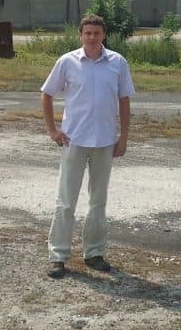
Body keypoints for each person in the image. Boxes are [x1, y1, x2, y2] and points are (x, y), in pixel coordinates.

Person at [41, 14, 135, 279]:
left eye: (97, 33)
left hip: (105, 142)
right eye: (87, 33)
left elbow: (124, 100)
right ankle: (58, 256)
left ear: (104, 34)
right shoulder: (68, 62)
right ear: (81, 35)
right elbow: (47, 94)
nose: (92, 37)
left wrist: (124, 136)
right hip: (74, 140)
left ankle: (94, 253)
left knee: (98, 201)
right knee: (66, 201)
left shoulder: (117, 63)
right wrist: (52, 130)